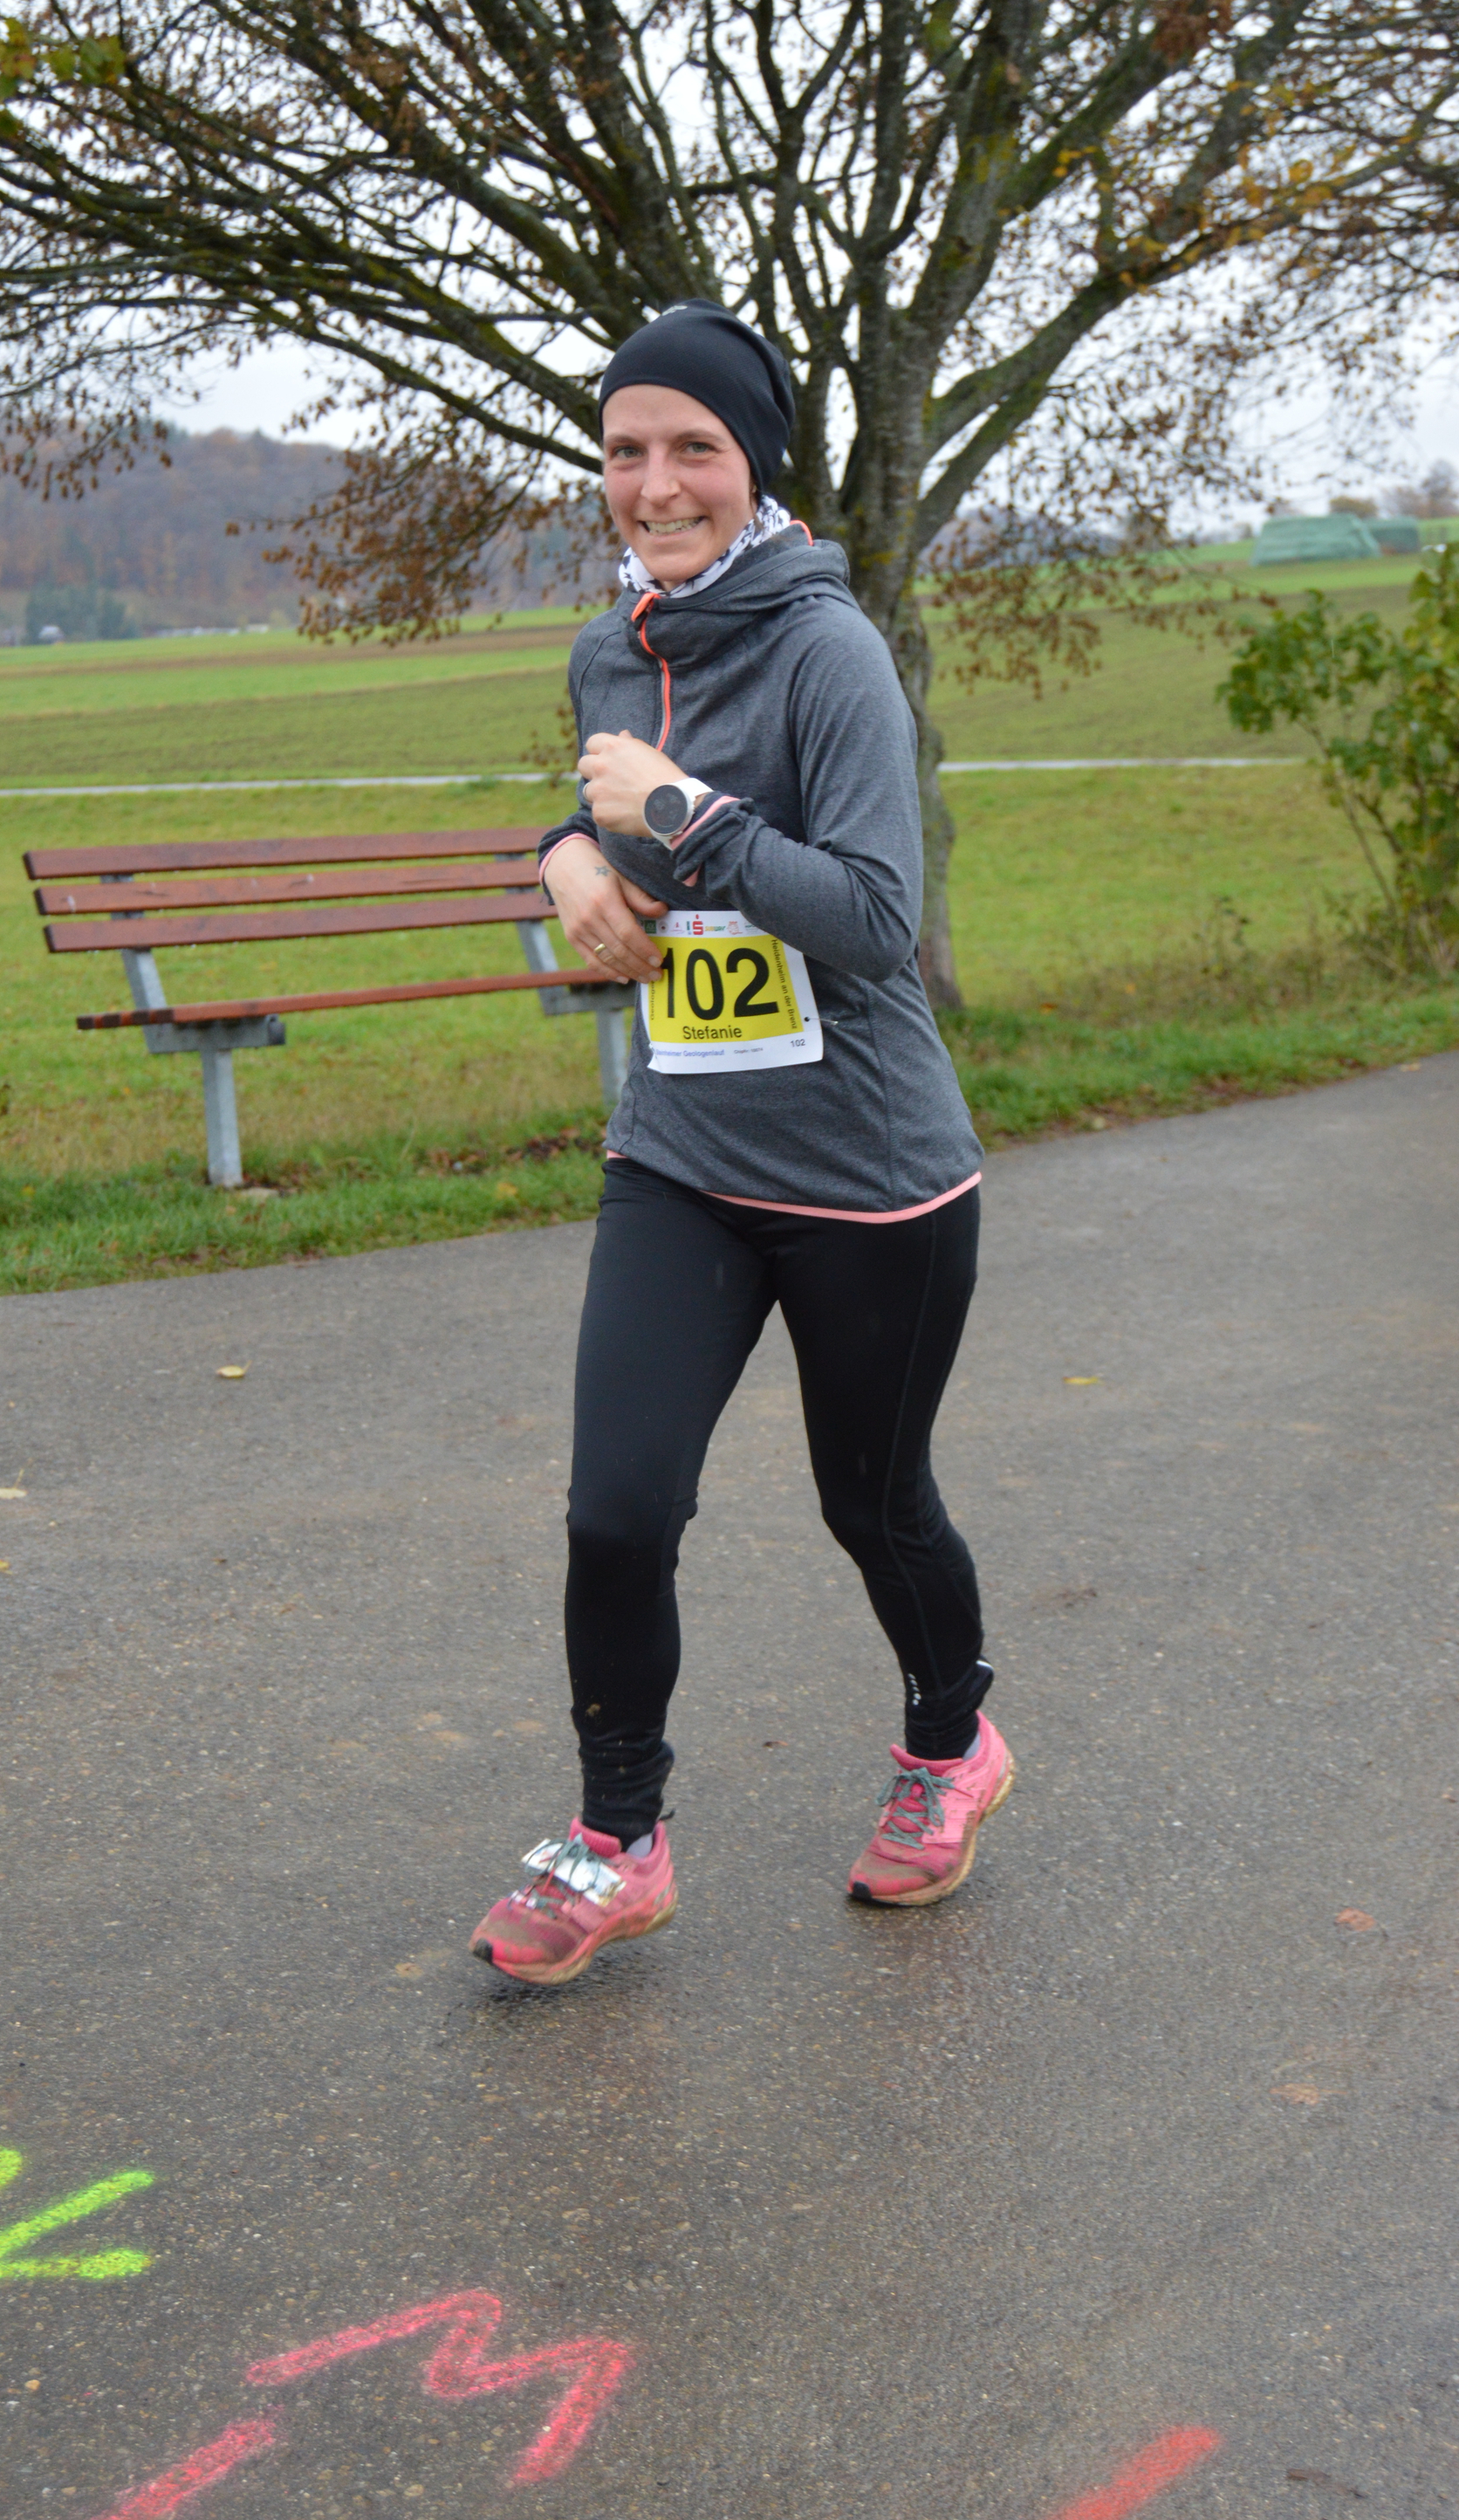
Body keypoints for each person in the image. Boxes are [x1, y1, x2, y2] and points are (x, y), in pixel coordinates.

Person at [469, 299, 1011, 1988]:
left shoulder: (831, 652)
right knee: (616, 1509)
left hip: (870, 1174)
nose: (656, 484)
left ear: (754, 466)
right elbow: (600, 805)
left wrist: (680, 819)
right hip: (681, 1155)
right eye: (626, 450)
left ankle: (952, 1745)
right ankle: (617, 1839)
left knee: (874, 1503)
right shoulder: (606, 648)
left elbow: (873, 918)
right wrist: (563, 859)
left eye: (693, 448)